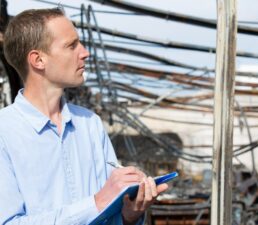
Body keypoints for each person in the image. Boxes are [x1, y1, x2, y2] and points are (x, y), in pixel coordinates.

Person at [0, 7, 168, 225]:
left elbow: (110, 214)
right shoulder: (5, 132)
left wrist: (129, 213)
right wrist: (97, 203)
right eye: (71, 45)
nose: (85, 52)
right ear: (38, 60)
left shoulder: (90, 124)